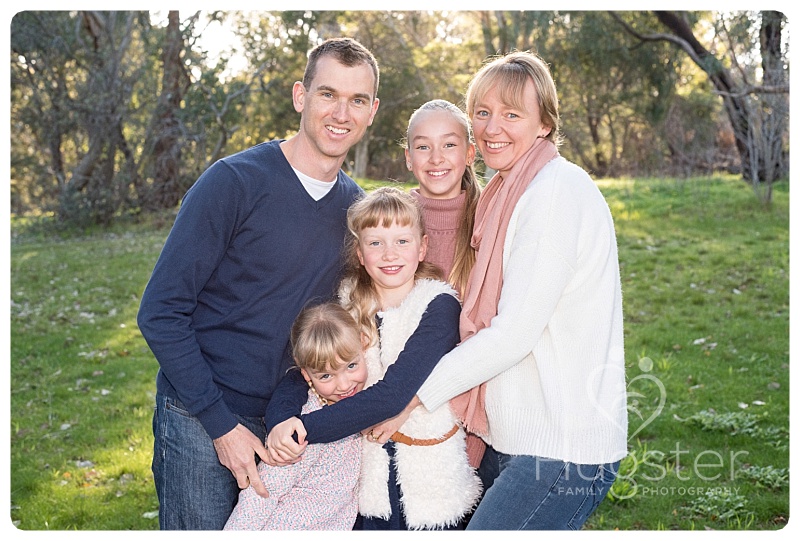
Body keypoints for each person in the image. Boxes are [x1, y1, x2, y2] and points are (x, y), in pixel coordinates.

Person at [136, 37, 380, 530]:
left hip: (288, 426)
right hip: (201, 418)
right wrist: (219, 423)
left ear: (372, 111)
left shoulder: (355, 209)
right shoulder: (233, 182)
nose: (341, 112)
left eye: (357, 100)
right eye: (328, 94)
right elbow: (161, 311)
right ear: (300, 96)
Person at [393, 50, 629, 530]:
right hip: (515, 435)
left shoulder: (553, 194)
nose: (492, 126)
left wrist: (412, 396)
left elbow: (512, 334)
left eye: (512, 114)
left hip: (559, 449)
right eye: (483, 113)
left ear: (544, 124)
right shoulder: (509, 191)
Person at [264, 187, 481, 530]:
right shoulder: (346, 305)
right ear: (360, 254)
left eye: (402, 241)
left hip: (430, 482)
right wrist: (281, 420)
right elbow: (302, 371)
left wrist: (303, 431)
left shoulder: (438, 305)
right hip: (365, 483)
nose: (389, 253)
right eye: (376, 243)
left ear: (423, 247)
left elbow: (393, 394)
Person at [224, 303, 369, 530]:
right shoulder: (302, 425)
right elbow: (262, 494)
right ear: (306, 374)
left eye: (351, 366)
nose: (344, 384)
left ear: (364, 345)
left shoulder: (369, 399)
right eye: (326, 376)